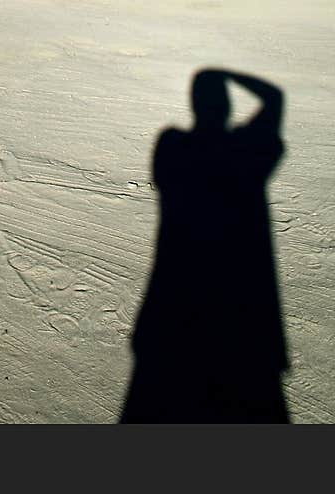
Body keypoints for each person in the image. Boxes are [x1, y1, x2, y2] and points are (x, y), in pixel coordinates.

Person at [121, 68, 289, 422]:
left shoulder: (173, 149)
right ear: (228, 106)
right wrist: (224, 72)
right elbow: (273, 97)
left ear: (194, 105)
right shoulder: (247, 154)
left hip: (172, 319)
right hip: (244, 328)